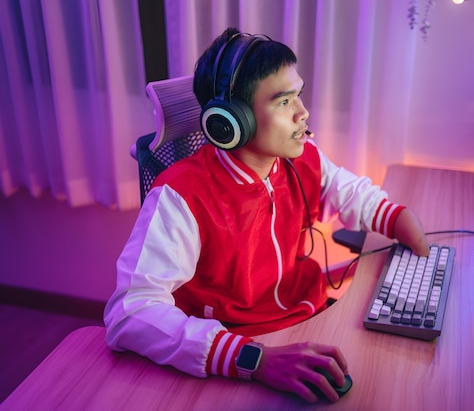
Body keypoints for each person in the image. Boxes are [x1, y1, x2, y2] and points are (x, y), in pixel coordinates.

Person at [104, 27, 429, 404]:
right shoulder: (181, 197)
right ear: (229, 123)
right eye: (283, 101)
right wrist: (252, 359)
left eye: (299, 95)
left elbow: (348, 191)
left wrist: (395, 217)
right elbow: (129, 312)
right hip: (232, 347)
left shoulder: (300, 159)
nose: (303, 113)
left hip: (303, 315)